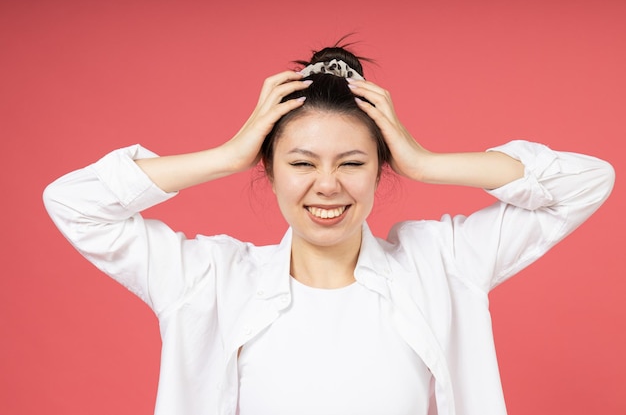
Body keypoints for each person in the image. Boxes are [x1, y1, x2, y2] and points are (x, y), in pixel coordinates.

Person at [43, 44, 614, 415]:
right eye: (301, 163)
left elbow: (588, 182)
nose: (327, 186)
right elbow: (74, 203)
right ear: (266, 169)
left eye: (352, 162)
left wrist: (424, 161)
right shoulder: (208, 280)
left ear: (380, 167)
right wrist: (227, 153)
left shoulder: (443, 262)